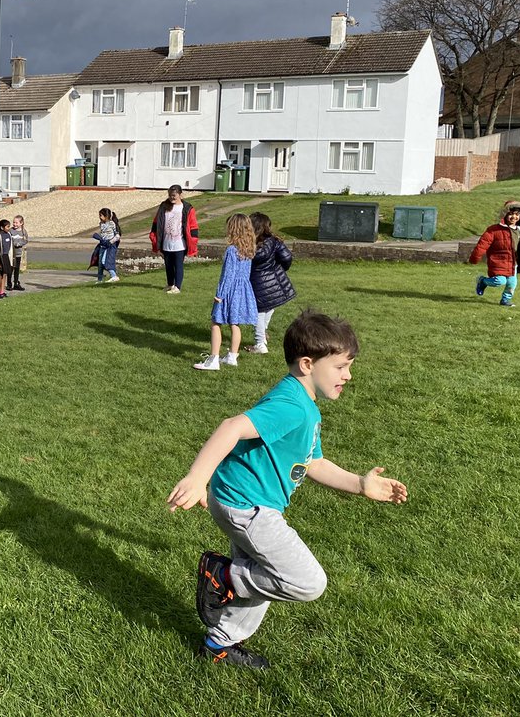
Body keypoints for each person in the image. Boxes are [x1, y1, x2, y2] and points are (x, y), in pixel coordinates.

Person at [168, 309, 409, 669]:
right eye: (341, 366)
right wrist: (196, 477)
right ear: (308, 364)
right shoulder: (291, 406)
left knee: (263, 575)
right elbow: (231, 426)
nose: (348, 375)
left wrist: (360, 484)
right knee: (306, 581)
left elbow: (313, 463)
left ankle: (219, 644)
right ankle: (222, 577)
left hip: (244, 499)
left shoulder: (304, 405)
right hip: (247, 505)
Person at [195, 214, 258, 371]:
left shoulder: (231, 250)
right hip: (243, 290)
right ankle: (232, 356)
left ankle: (214, 359)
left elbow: (228, 276)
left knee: (216, 322)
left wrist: (220, 295)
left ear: (233, 229)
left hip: (229, 291)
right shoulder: (249, 249)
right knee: (234, 323)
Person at [469, 199, 520, 307]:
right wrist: (475, 257)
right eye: (511, 214)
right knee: (499, 281)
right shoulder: (494, 230)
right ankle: (483, 281)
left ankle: (505, 300)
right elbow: (482, 244)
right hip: (498, 261)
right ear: (505, 215)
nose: (514, 217)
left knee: (512, 284)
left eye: (517, 214)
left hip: (513, 263)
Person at [247, 213, 295, 354]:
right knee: (269, 308)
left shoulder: (249, 244)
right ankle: (263, 336)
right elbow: (287, 257)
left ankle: (260, 343)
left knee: (258, 313)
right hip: (274, 282)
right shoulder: (274, 241)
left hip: (256, 283)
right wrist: (279, 269)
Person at [149, 184, 199, 293]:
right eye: (170, 195)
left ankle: (177, 287)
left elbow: (193, 226)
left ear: (180, 194)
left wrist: (193, 241)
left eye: (174, 195)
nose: (172, 197)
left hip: (180, 243)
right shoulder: (163, 206)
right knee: (168, 265)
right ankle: (170, 284)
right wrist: (155, 240)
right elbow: (156, 223)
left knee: (178, 265)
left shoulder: (187, 208)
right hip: (166, 242)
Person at [93, 207, 121, 283]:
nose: (100, 217)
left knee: (104, 261)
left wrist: (110, 242)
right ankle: (100, 280)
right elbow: (103, 234)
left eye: (101, 215)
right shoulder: (101, 224)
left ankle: (114, 276)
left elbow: (118, 236)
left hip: (109, 246)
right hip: (102, 245)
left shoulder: (112, 224)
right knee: (100, 264)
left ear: (106, 216)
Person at [8, 214, 29, 291]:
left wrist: (19, 244)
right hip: (11, 254)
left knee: (17, 269)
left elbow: (26, 240)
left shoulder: (23, 231)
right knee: (11, 268)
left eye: (16, 223)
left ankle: (16, 283)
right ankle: (9, 284)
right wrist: (13, 244)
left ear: (21, 223)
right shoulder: (10, 230)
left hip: (18, 253)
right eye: (13, 222)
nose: (14, 224)